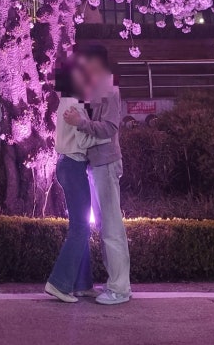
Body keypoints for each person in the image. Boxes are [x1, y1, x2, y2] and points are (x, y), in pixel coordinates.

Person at [64, 44, 131, 305]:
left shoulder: (109, 89)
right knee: (105, 224)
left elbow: (110, 128)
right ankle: (116, 283)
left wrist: (80, 123)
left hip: (106, 162)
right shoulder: (95, 89)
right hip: (96, 164)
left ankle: (120, 288)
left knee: (111, 226)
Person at [45, 60, 110, 304]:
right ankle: (59, 283)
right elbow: (83, 141)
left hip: (68, 164)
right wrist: (107, 137)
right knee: (81, 227)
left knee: (81, 225)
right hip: (73, 165)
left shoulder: (65, 102)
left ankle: (82, 284)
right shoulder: (75, 104)